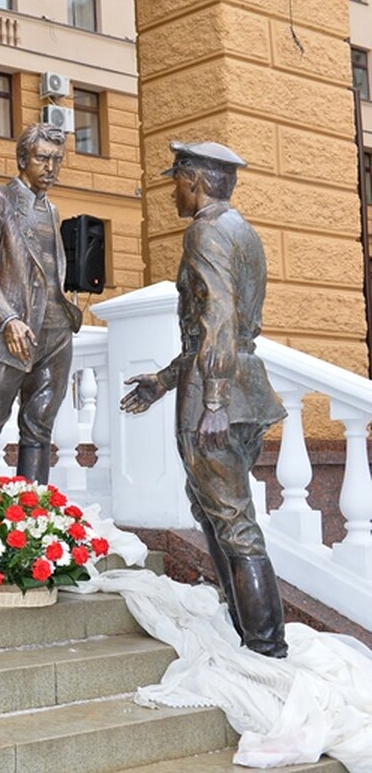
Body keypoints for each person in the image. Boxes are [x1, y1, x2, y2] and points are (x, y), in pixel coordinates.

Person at [121, 141, 288, 658]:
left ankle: (264, 649)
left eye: (176, 180)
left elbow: (217, 319)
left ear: (194, 181)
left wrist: (212, 399)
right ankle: (249, 633)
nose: (174, 190)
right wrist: (166, 380)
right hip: (247, 387)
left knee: (234, 524)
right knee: (219, 514)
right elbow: (220, 331)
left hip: (218, 395)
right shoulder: (243, 231)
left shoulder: (205, 231)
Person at [0, 123, 82, 495]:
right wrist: (7, 318)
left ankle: (32, 517)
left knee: (40, 425)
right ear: (23, 158)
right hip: (9, 333)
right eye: (42, 158)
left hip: (55, 333)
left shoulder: (52, 211)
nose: (50, 167)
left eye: (57, 159)